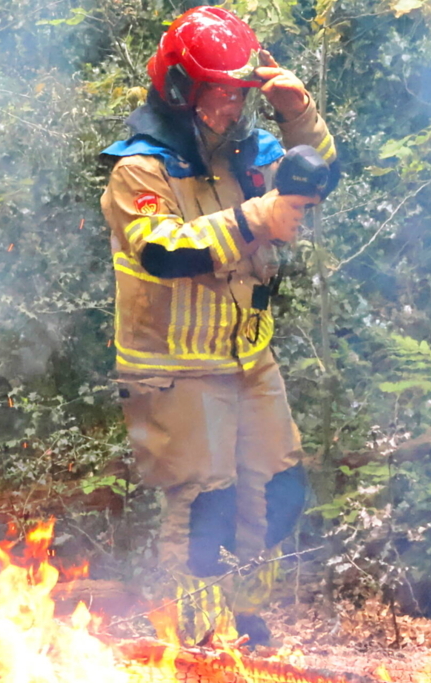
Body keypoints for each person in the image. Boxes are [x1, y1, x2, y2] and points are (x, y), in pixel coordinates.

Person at [99, 5, 337, 647]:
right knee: (205, 507)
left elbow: (316, 171)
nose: (230, 108)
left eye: (238, 95)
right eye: (218, 95)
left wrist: (296, 111)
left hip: (247, 359)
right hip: (175, 370)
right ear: (180, 89)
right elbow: (163, 250)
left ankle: (247, 620)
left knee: (278, 491)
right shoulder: (140, 168)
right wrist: (259, 219)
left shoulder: (245, 152)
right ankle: (196, 643)